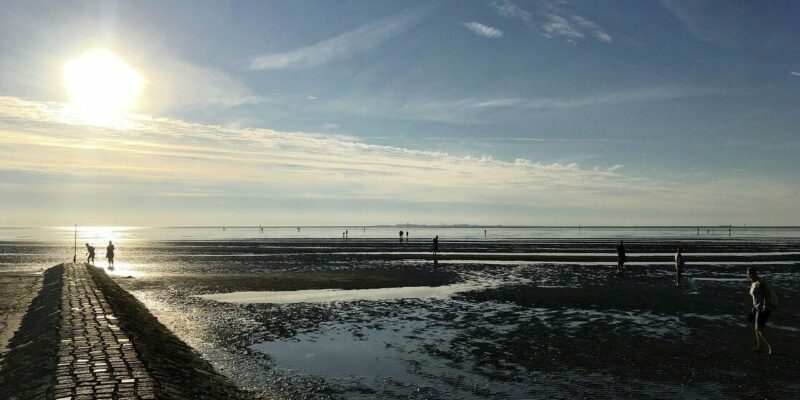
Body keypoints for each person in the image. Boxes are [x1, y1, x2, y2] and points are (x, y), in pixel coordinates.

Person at [747, 267, 776, 354]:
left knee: (759, 328)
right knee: (757, 329)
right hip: (757, 307)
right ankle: (760, 347)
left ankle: (770, 346)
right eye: (748, 274)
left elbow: (767, 295)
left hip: (764, 308)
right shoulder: (753, 283)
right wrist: (754, 308)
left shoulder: (760, 283)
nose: (749, 276)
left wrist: (764, 306)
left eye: (750, 274)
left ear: (755, 273)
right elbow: (756, 297)